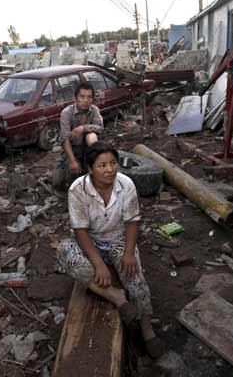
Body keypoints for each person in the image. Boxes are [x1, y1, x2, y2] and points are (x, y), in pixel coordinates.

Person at [57, 141, 165, 359]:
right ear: (90, 169)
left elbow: (133, 221)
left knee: (137, 281)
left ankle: (146, 329)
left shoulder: (126, 184)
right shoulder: (78, 189)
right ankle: (115, 297)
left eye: (113, 163)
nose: (109, 170)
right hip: (91, 240)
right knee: (65, 253)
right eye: (102, 165)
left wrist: (128, 253)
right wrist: (97, 263)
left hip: (117, 238)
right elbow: (80, 230)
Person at [53, 82, 102, 189]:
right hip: (73, 150)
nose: (86, 100)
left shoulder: (94, 110)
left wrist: (83, 128)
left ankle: (93, 162)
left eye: (89, 97)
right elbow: (65, 138)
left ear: (92, 99)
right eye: (82, 96)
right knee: (60, 181)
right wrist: (73, 161)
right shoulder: (66, 113)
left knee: (91, 135)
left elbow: (100, 127)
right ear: (76, 98)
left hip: (89, 149)